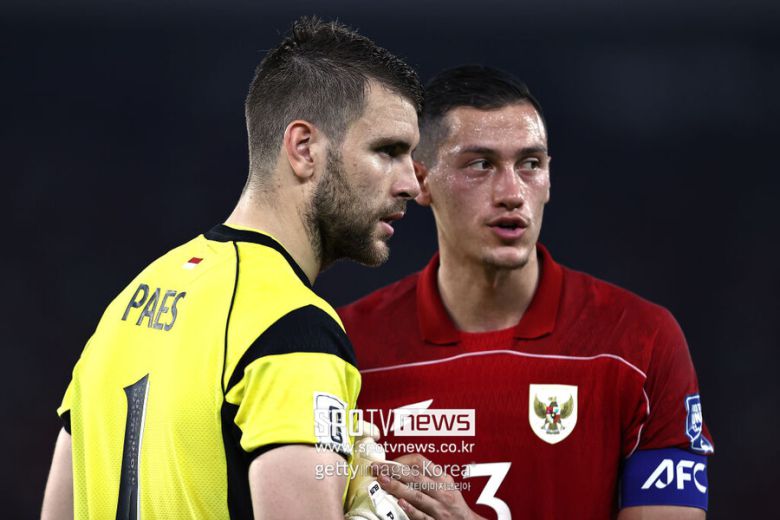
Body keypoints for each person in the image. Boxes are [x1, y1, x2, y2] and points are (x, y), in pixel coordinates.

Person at [40, 17, 422, 520]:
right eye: (388, 151)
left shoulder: (126, 306)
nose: (412, 184)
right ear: (304, 148)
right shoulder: (293, 329)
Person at [338, 65, 714, 520]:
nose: (512, 193)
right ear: (421, 180)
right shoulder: (348, 347)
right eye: (481, 165)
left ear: (549, 178)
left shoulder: (641, 341)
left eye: (530, 164)